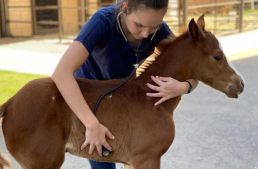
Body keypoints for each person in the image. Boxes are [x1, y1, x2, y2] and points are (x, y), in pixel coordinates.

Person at [52, 0, 198, 168]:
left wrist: (185, 87)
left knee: (135, 156)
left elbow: (196, 63)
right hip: (92, 101)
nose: (145, 34)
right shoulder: (102, 22)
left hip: (124, 100)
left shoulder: (159, 29)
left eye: (154, 27)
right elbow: (61, 73)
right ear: (125, 7)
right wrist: (91, 125)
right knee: (103, 160)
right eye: (139, 25)